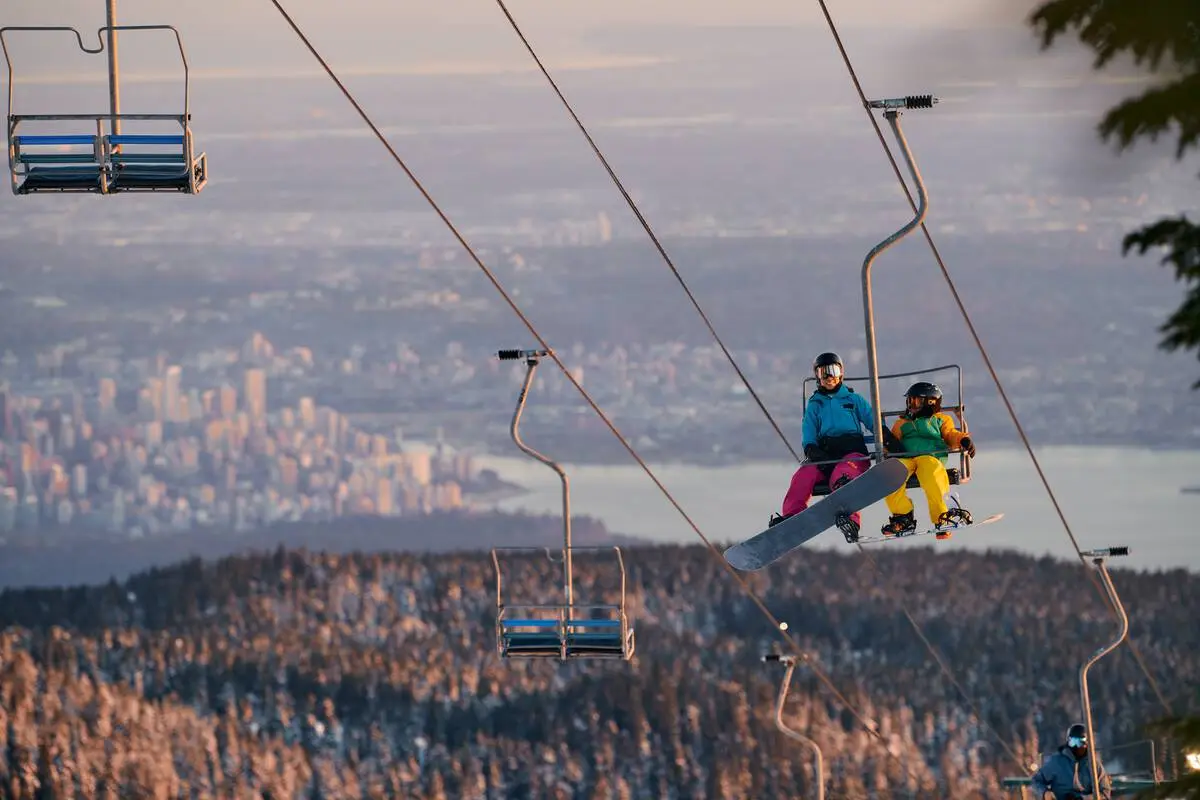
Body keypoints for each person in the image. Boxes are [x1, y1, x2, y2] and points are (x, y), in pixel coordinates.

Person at [773, 352, 898, 540]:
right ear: (817, 376)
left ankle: (851, 521)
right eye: (823, 372)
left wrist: (887, 439)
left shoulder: (852, 400)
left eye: (833, 371)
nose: (829, 377)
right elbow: (809, 429)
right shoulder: (815, 404)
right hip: (825, 455)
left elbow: (872, 420)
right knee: (803, 475)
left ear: (841, 373)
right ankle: (793, 515)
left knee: (843, 478)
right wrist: (811, 448)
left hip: (853, 453)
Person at [879, 381, 976, 539]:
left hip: (930, 457)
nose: (912, 405)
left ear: (931, 402)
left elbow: (950, 434)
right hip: (907, 458)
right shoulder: (902, 423)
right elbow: (892, 442)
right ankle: (903, 517)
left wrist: (963, 440)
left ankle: (941, 517)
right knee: (892, 475)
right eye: (910, 401)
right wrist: (886, 446)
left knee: (932, 475)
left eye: (916, 401)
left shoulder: (940, 420)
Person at [1030, 723, 1112, 800]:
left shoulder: (1094, 766)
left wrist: (1085, 799)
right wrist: (1045, 793)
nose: (1076, 746)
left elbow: (1105, 792)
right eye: (1073, 742)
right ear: (1068, 742)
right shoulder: (1057, 762)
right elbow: (1036, 781)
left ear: (1087, 743)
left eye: (1079, 742)